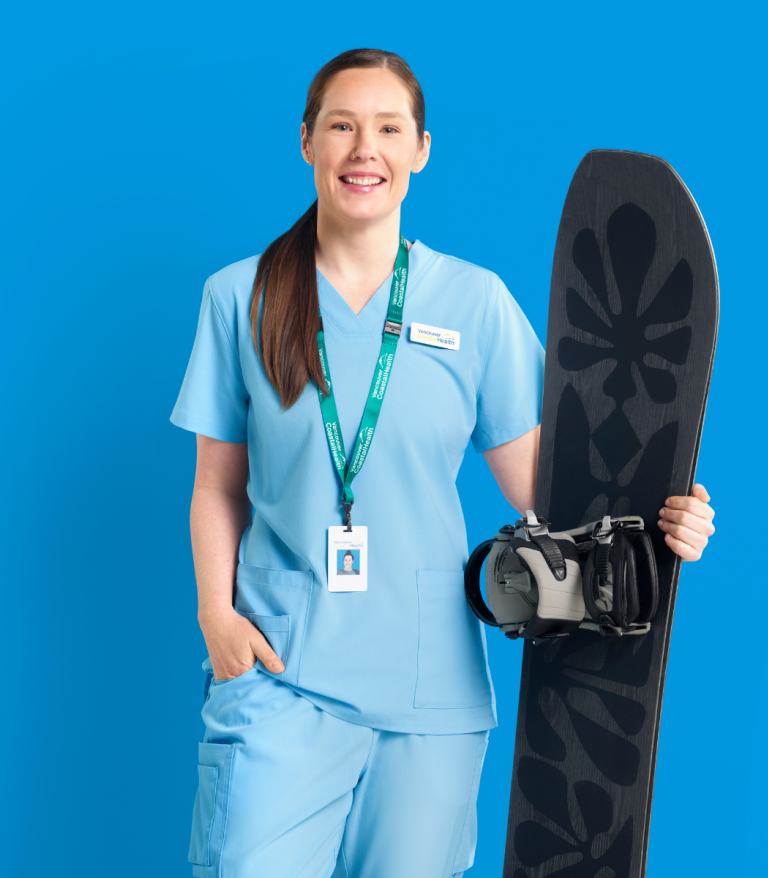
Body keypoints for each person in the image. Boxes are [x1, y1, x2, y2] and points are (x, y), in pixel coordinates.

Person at [170, 49, 716, 878]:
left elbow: (550, 496)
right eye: (343, 126)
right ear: (309, 141)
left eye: (388, 128)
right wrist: (218, 619)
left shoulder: (474, 304)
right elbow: (217, 487)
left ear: (421, 149)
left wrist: (662, 527)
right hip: (283, 675)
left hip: (433, 699)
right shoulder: (238, 297)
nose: (366, 149)